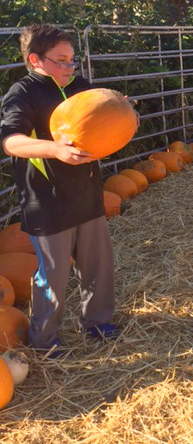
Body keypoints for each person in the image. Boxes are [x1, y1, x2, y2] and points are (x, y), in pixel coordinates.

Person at [0, 24, 120, 357]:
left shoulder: (81, 87)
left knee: (98, 264)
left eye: (72, 60)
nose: (70, 68)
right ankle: (45, 340)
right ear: (35, 59)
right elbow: (11, 142)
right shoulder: (23, 93)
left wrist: (126, 114)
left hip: (87, 194)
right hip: (47, 202)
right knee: (52, 275)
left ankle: (98, 323)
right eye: (61, 61)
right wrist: (54, 150)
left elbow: (106, 117)